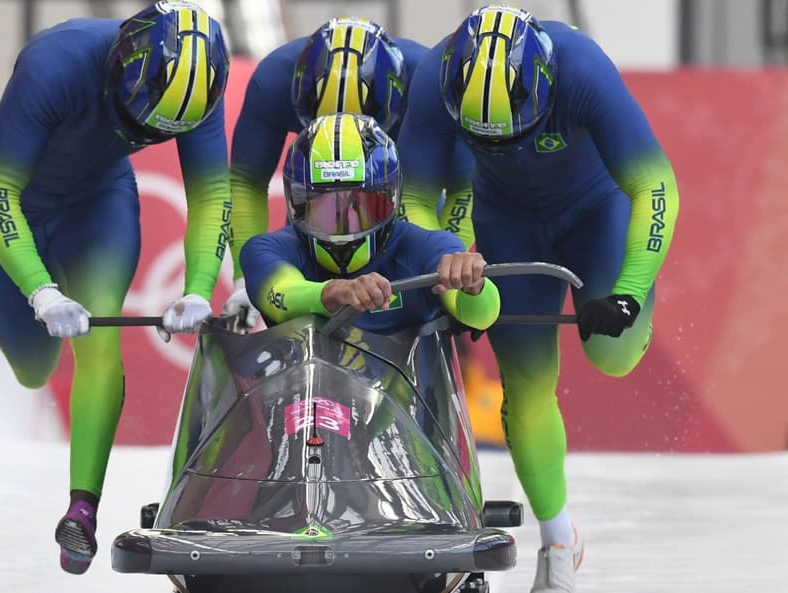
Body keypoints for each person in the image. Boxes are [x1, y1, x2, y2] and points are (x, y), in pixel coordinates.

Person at [394, 5, 680, 592]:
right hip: (504, 219)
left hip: (596, 209)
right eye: (483, 136)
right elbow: (414, 203)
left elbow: (654, 184)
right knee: (525, 386)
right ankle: (558, 540)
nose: (504, 142)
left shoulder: (580, 68)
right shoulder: (435, 75)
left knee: (613, 351)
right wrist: (449, 252)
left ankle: (631, 307)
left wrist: (626, 292)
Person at [0, 1, 230, 574]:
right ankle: (29, 317)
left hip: (99, 203)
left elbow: (212, 194)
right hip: (16, 202)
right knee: (32, 367)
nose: (139, 134)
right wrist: (40, 289)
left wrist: (198, 286)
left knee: (100, 339)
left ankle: (82, 509)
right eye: (135, 119)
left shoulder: (200, 86)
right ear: (118, 67)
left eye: (157, 133)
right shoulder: (53, 65)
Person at [224, 17, 449, 327]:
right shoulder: (273, 81)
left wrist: (450, 273)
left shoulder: (429, 80)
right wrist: (245, 282)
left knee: (429, 270)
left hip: (389, 188)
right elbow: (246, 184)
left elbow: (455, 189)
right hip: (323, 187)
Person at [240, 112, 500, 339]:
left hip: (409, 392)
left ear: (391, 198)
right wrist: (334, 292)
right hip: (307, 392)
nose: (343, 223)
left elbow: (481, 316)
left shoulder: (430, 247)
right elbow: (280, 293)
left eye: (360, 206)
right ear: (296, 204)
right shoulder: (266, 250)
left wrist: (474, 286)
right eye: (325, 207)